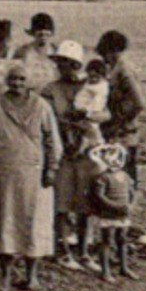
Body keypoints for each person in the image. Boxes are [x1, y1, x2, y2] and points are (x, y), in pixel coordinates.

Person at [0, 63, 61, 291]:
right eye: (13, 79)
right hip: (4, 173)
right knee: (6, 221)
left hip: (35, 173)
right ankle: (5, 276)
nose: (17, 84)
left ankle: (31, 276)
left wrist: (52, 168)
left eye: (22, 80)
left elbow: (52, 140)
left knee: (34, 221)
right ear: (7, 81)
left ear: (28, 82)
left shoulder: (42, 106)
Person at [41, 41, 103, 271]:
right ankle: (63, 249)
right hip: (62, 149)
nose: (63, 68)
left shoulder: (92, 87)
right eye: (60, 63)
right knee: (63, 200)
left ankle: (85, 250)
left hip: (86, 148)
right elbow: (48, 119)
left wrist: (84, 133)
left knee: (85, 200)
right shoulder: (50, 90)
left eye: (68, 64)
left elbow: (99, 114)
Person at [95, 30, 146, 244]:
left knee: (123, 179)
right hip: (119, 132)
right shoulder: (118, 67)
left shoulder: (124, 69)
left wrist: (118, 122)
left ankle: (122, 227)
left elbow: (139, 103)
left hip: (123, 135)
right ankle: (118, 226)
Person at [87, 141, 136, 280]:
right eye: (112, 159)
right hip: (108, 213)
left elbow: (131, 192)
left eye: (118, 159)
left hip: (122, 213)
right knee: (106, 240)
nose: (116, 162)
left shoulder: (125, 176)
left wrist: (130, 205)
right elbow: (99, 196)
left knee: (122, 239)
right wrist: (113, 205)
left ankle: (124, 267)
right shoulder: (103, 177)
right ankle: (105, 270)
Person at [14, 13, 59, 92]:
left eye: (47, 33)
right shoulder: (23, 52)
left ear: (51, 33)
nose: (43, 36)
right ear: (33, 33)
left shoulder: (57, 51)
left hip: (53, 94)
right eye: (40, 33)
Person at [75, 58, 111, 150]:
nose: (93, 79)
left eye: (96, 77)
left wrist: (90, 112)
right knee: (89, 130)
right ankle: (91, 144)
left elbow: (99, 103)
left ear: (102, 76)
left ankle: (97, 144)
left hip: (92, 110)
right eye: (91, 76)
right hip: (83, 107)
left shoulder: (102, 87)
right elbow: (81, 76)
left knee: (93, 128)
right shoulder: (87, 82)